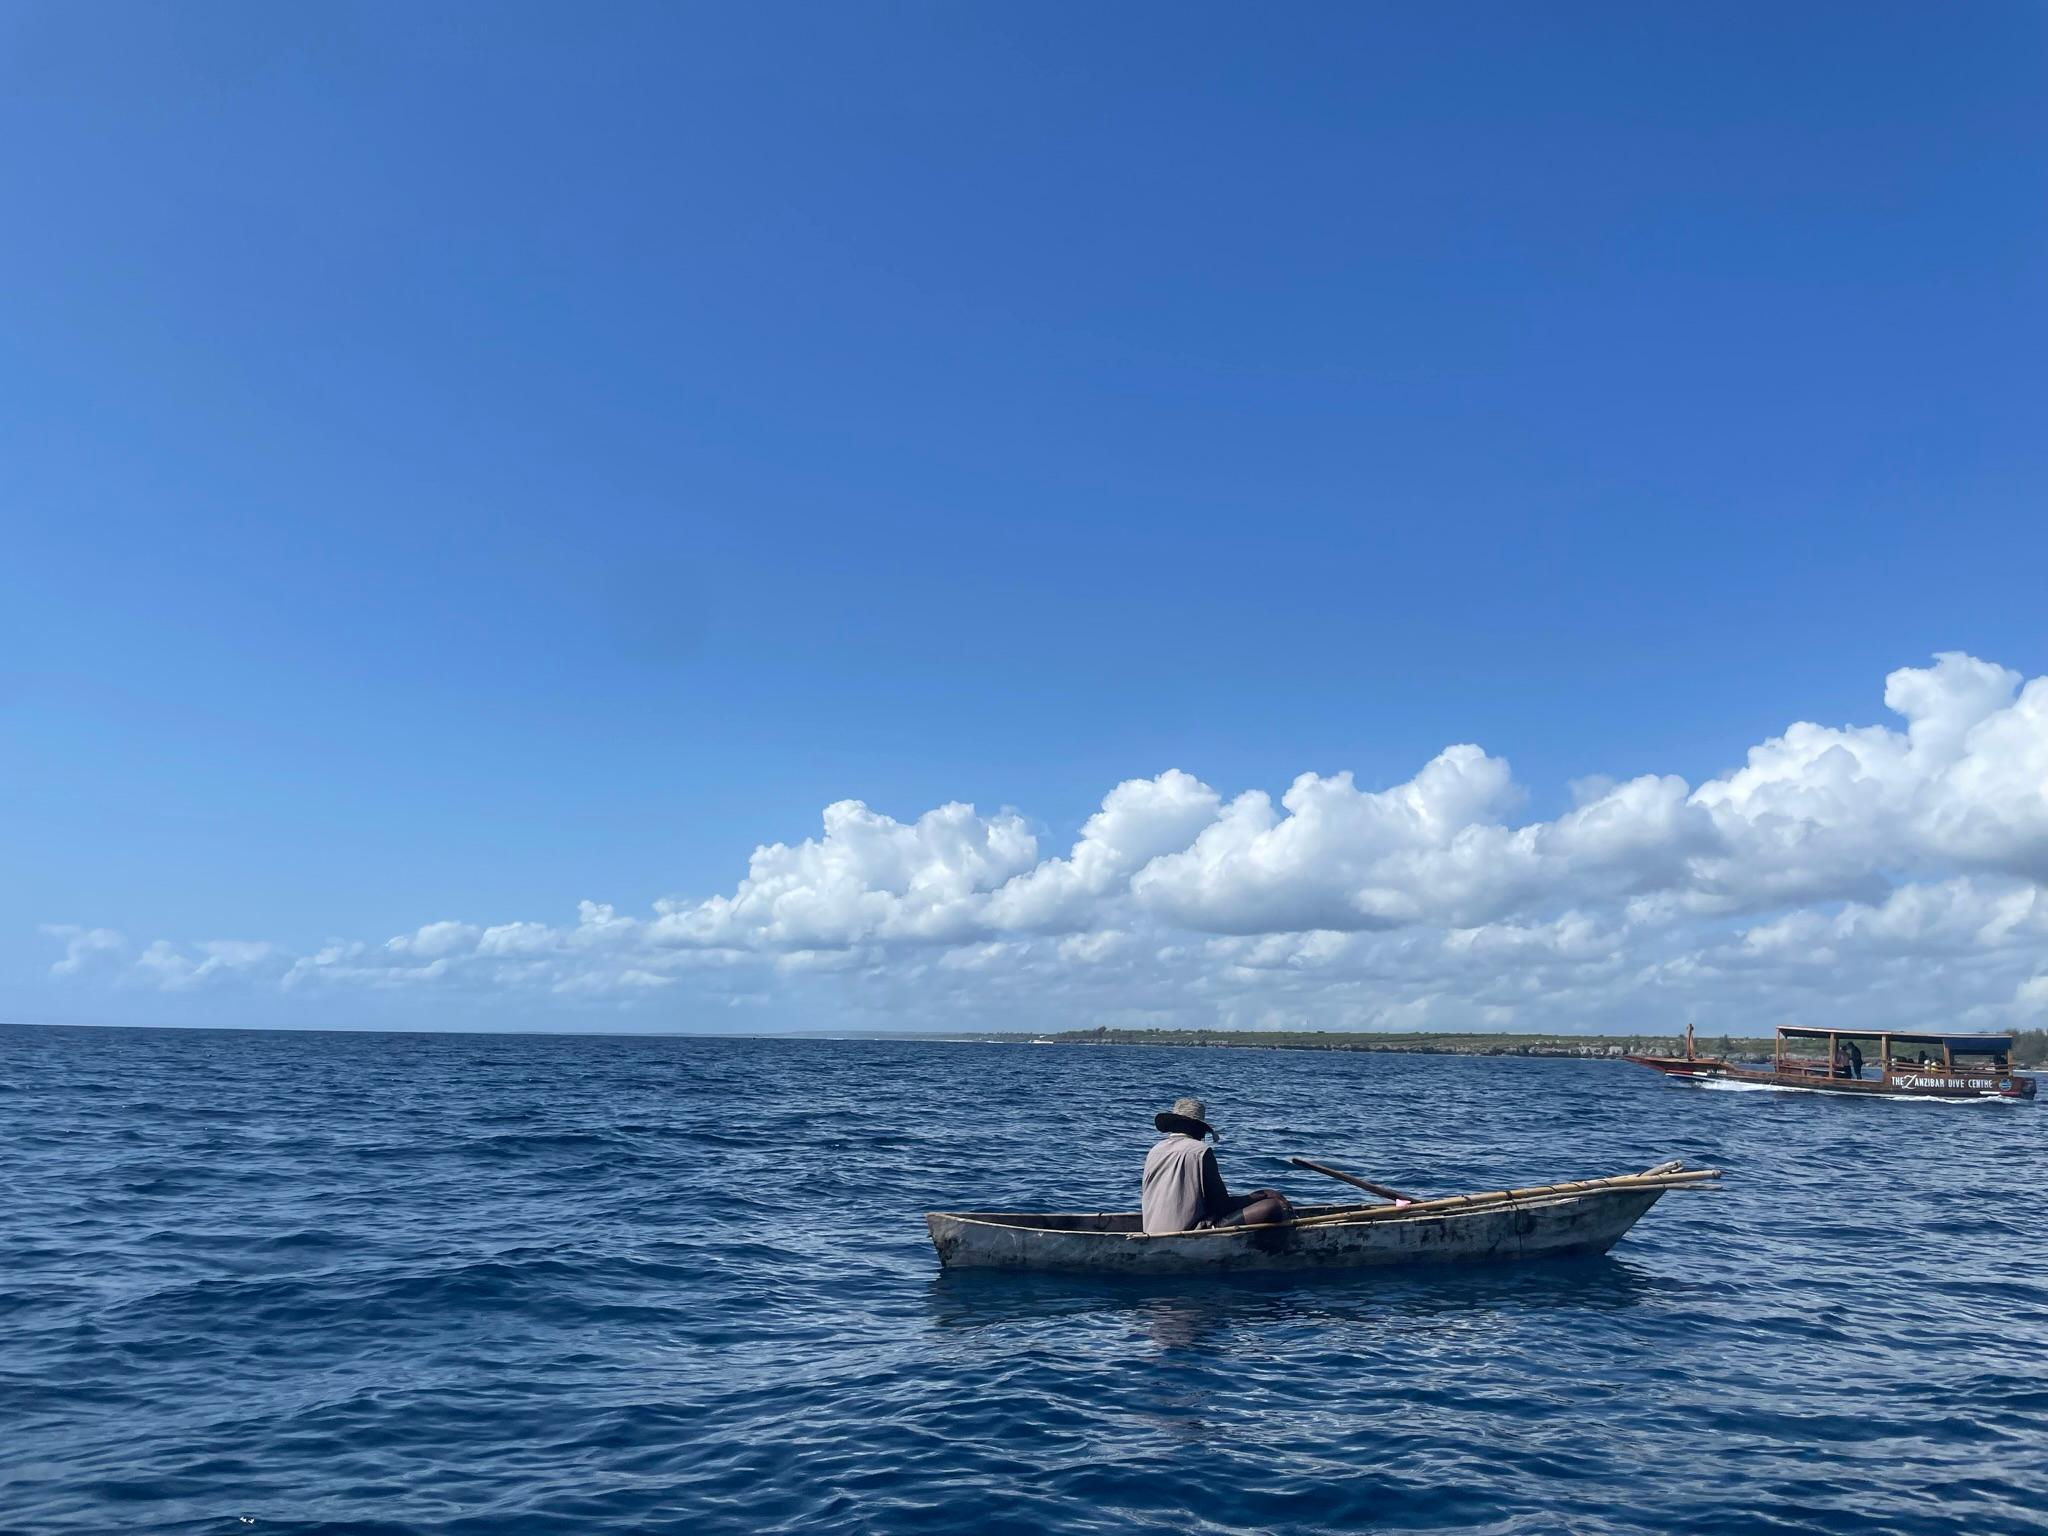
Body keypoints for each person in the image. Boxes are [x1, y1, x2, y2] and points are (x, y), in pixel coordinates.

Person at [1141, 1097, 1294, 1235]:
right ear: (1197, 1127)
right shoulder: (1200, 1151)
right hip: (1190, 1231)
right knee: (1272, 1207)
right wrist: (1262, 1195)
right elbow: (1222, 1206)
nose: (1203, 1135)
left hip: (1151, 1230)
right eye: (1202, 1129)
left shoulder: (1154, 1151)